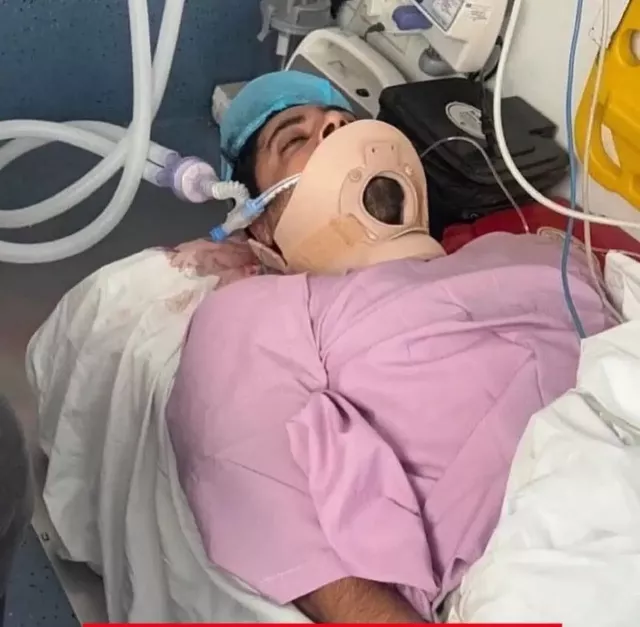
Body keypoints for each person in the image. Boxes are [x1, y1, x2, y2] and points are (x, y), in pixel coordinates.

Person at [165, 71, 612, 623]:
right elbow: (265, 506)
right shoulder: (257, 312)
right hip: (546, 558)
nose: (336, 128)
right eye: (294, 139)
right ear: (259, 227)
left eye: (345, 122)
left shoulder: (531, 250)